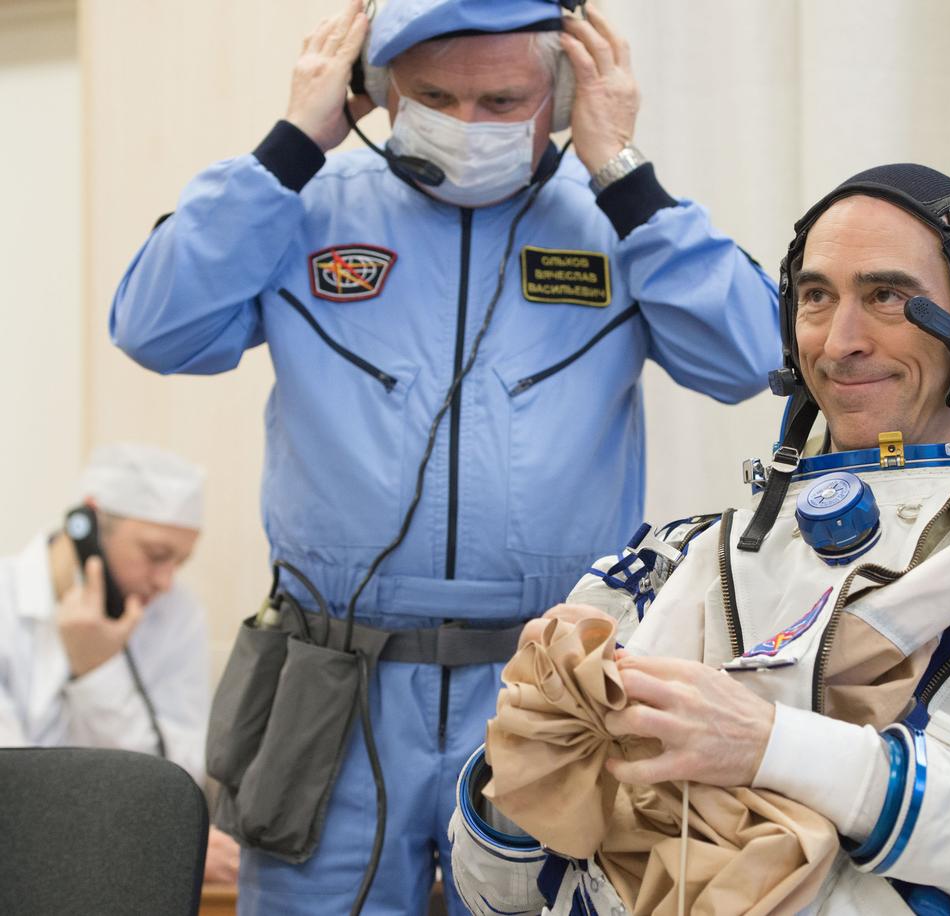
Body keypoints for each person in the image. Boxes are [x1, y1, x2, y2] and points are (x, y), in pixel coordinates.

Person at [109, 0, 780, 911]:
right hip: (333, 692)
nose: (469, 126)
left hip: (545, 693)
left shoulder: (618, 224)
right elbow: (155, 327)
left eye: (503, 100)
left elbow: (753, 358)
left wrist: (622, 172)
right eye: (434, 96)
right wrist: (288, 147)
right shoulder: (300, 209)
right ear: (372, 89)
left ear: (564, 93)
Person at [449, 164, 950, 914]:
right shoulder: (666, 571)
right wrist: (519, 782)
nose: (839, 343)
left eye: (888, 297)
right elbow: (501, 897)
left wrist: (773, 748)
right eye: (815, 297)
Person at [0, 443, 240, 886]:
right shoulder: (5, 601)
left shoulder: (176, 614)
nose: (165, 582)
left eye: (180, 563)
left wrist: (98, 672)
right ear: (87, 524)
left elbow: (175, 783)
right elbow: (12, 794)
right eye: (156, 555)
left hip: (122, 876)